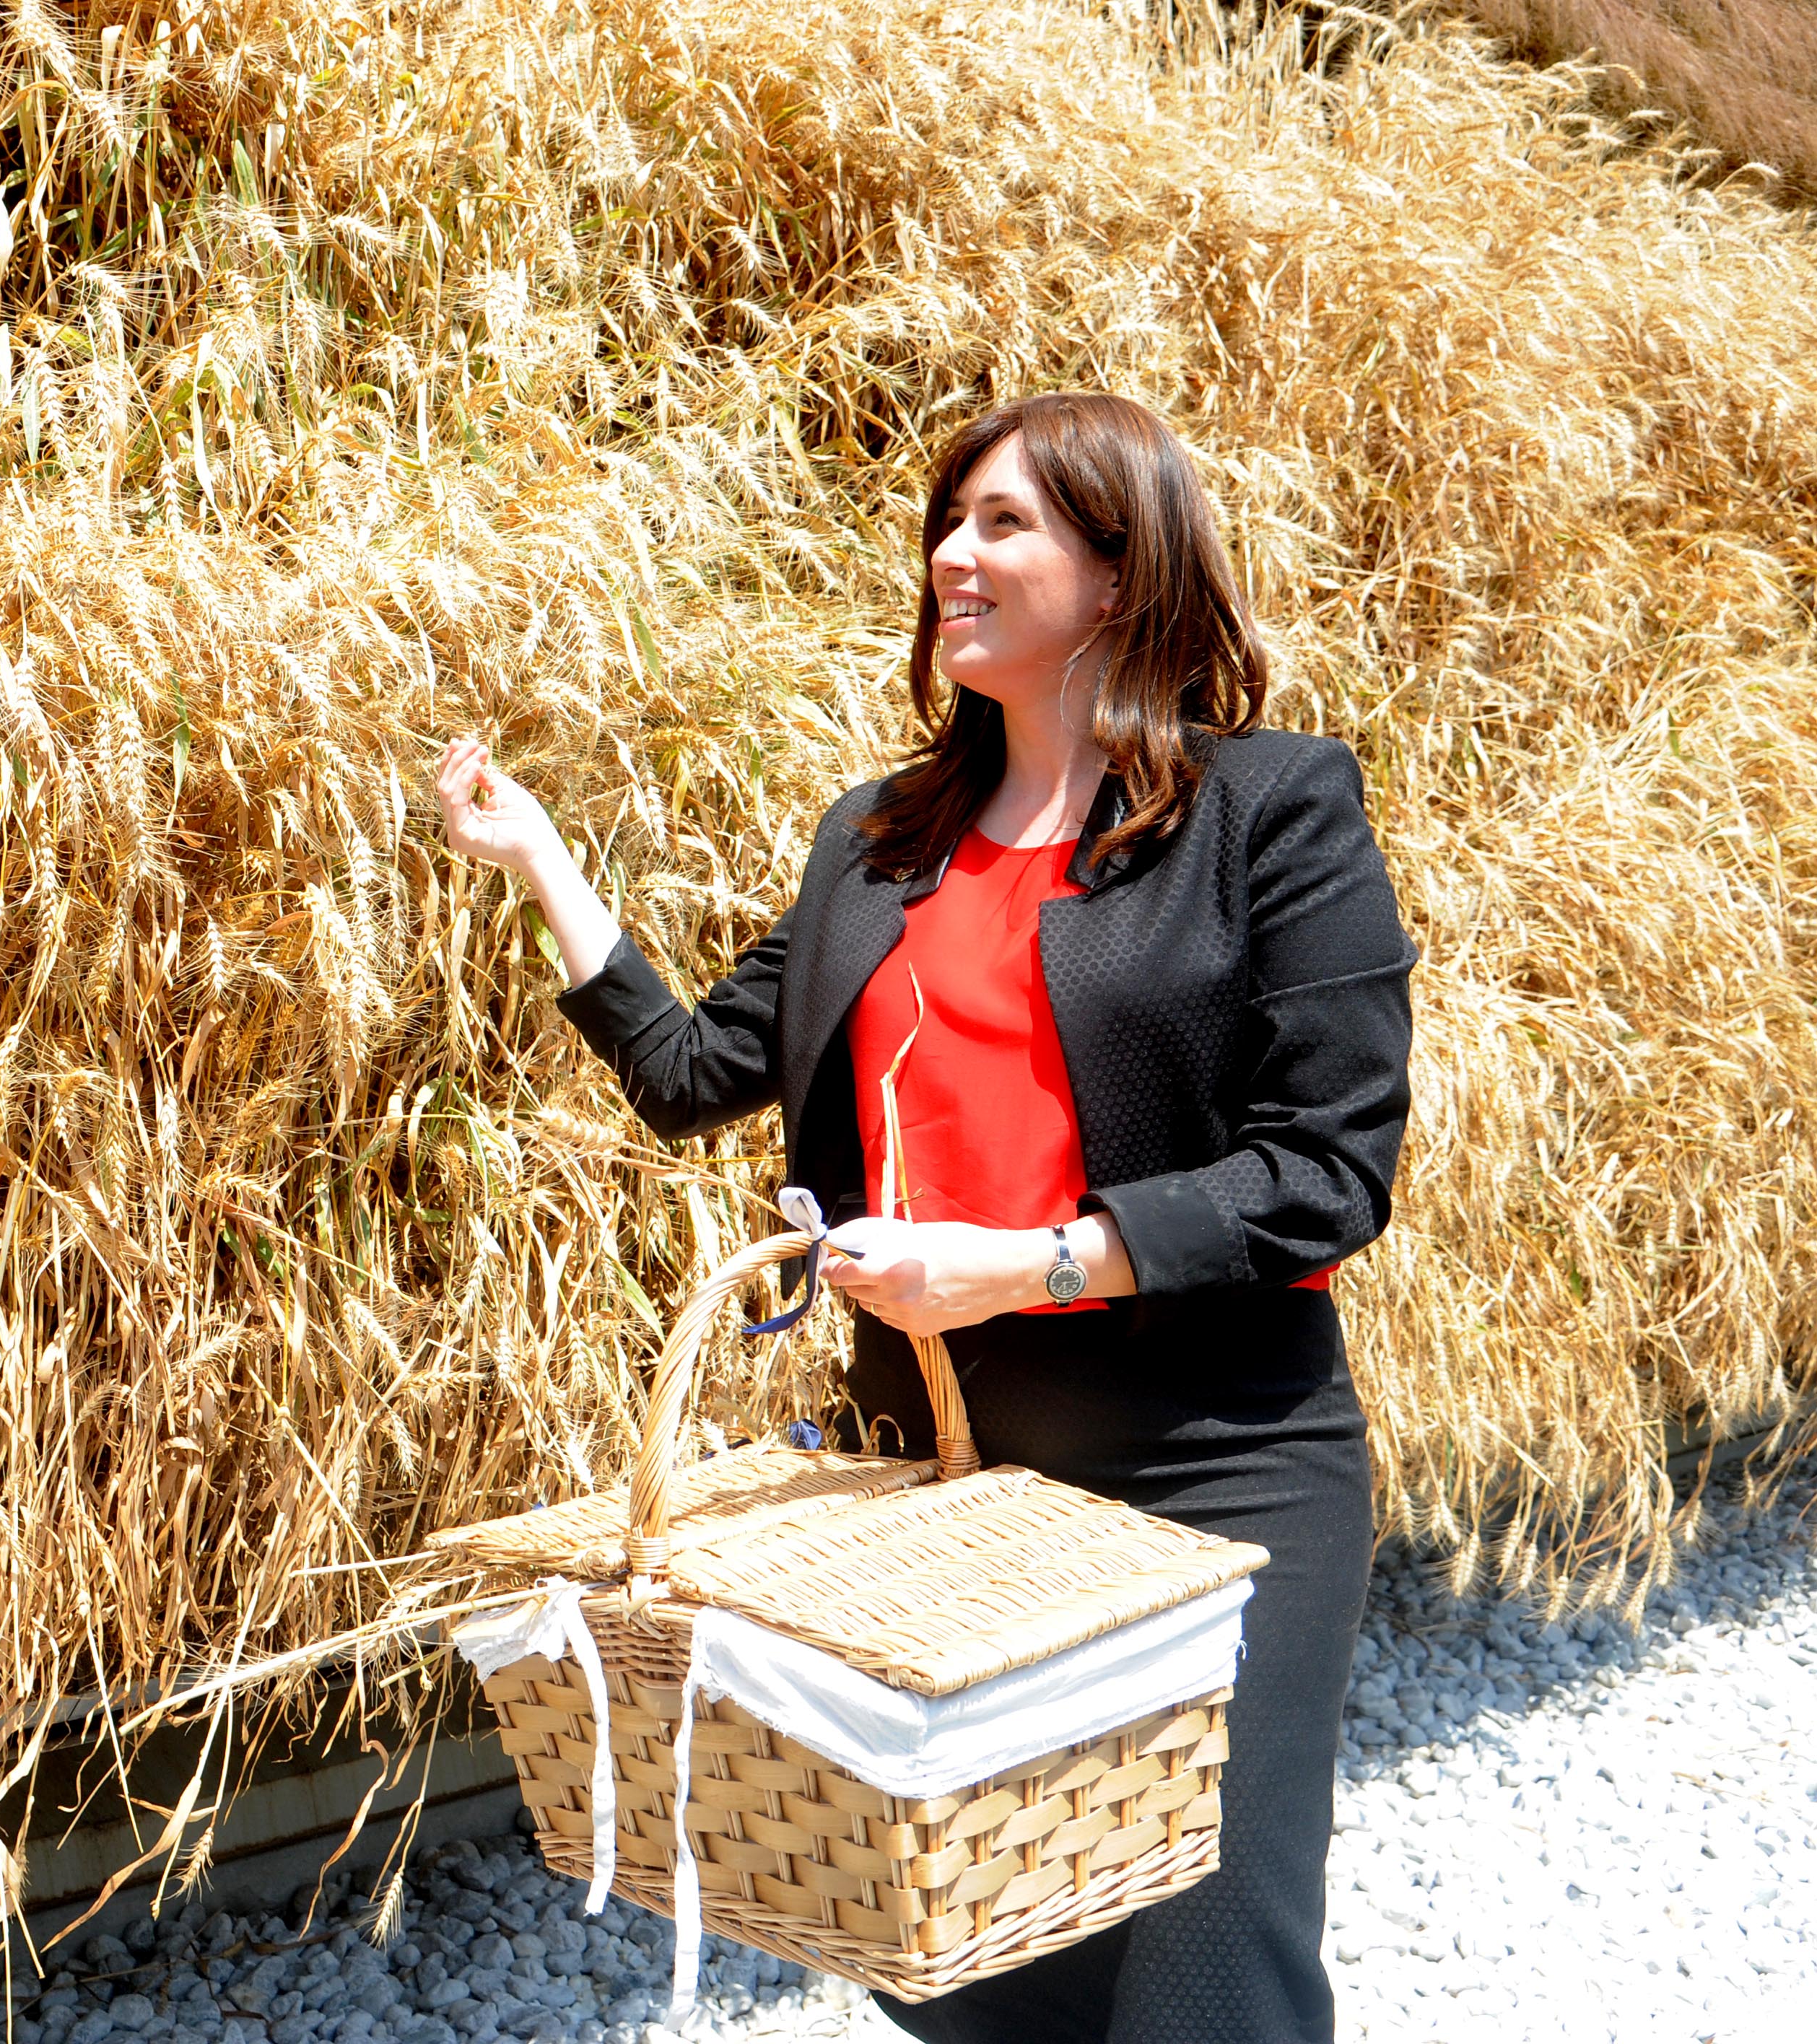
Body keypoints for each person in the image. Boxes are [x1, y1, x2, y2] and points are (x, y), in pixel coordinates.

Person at [432, 390, 1415, 2043]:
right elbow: (690, 1070)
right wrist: (537, 858)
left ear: (1122, 570)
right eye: (947, 523)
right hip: (945, 1486)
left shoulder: (1269, 810)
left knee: (1205, 1984)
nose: (952, 553)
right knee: (979, 1985)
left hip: (1211, 1471)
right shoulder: (878, 839)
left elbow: (1325, 1167)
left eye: (1003, 523)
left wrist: (1031, 1263)